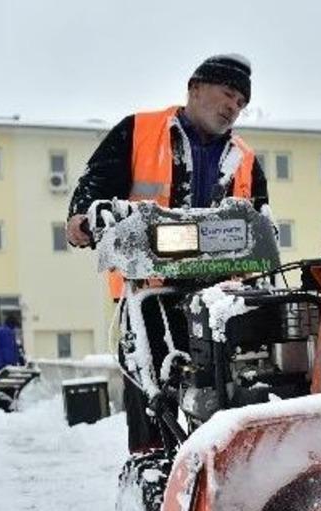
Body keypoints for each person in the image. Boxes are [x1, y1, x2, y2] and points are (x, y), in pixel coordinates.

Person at [66, 53, 270, 453]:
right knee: (149, 394)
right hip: (148, 289)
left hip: (219, 298)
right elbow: (93, 189)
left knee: (230, 387)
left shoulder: (243, 158)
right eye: (228, 94)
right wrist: (83, 220)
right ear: (195, 89)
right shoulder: (139, 131)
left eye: (241, 103)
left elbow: (262, 220)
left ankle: (221, 458)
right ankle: (150, 468)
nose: (233, 107)